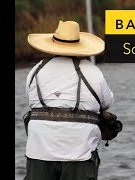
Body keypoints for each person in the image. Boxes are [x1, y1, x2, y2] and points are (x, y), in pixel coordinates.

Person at [23, 20, 114, 180]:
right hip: (79, 154)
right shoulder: (93, 72)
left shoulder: (36, 71)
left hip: (39, 151)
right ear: (79, 46)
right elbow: (107, 102)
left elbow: (31, 101)